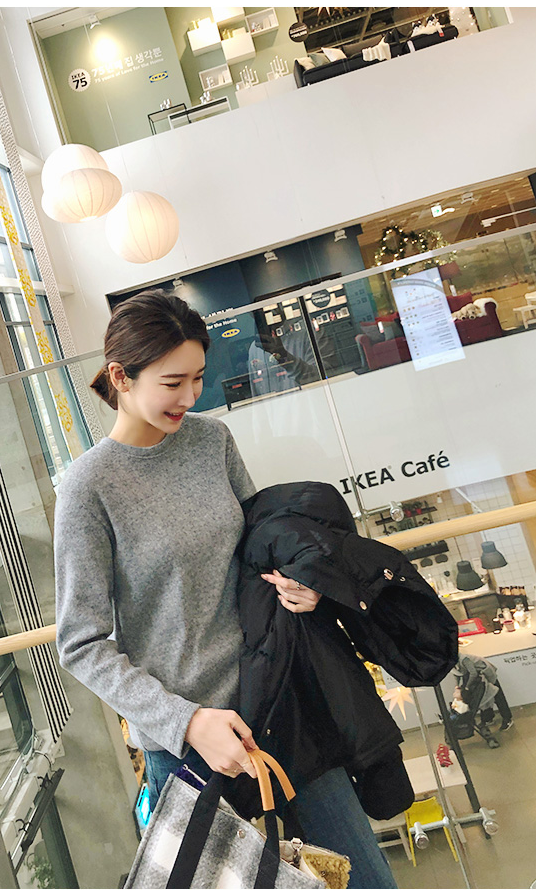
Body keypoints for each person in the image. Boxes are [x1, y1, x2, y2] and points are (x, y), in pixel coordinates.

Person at [54, 289, 397, 889]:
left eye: (198, 379)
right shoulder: (89, 487)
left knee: (363, 880)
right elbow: (81, 644)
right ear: (121, 377)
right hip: (191, 746)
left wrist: (304, 586)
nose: (191, 397)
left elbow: (260, 549)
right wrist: (186, 722)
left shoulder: (212, 442)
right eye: (173, 382)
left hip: (282, 703)